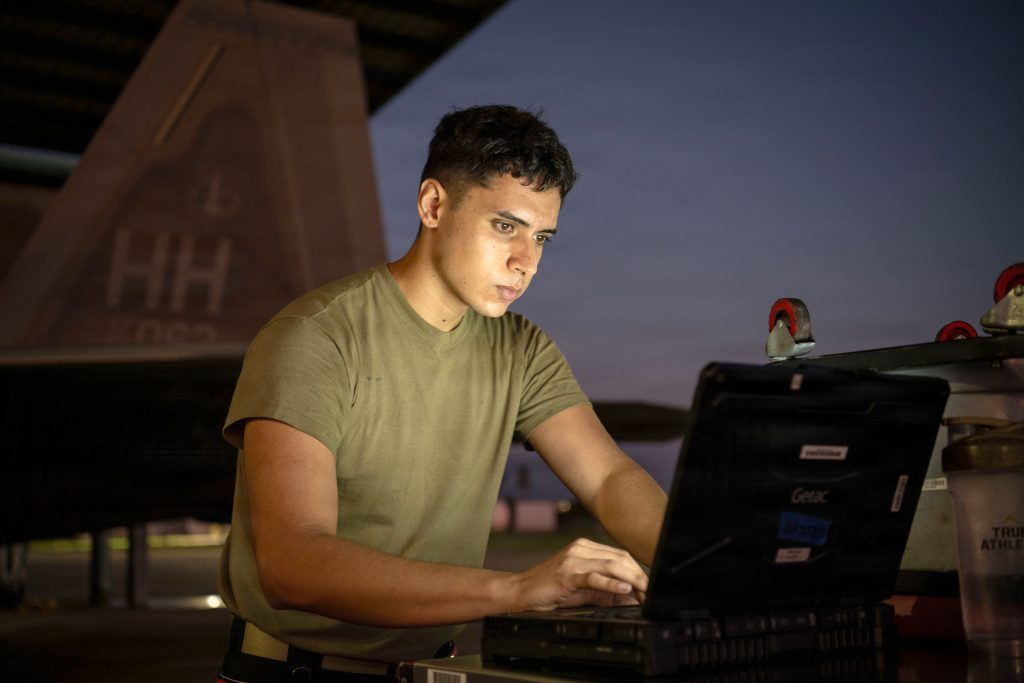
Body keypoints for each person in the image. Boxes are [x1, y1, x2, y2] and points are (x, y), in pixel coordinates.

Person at [216, 104, 668, 682]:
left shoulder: (521, 348)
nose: (526, 262)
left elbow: (610, 480)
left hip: (435, 671)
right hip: (294, 671)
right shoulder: (315, 336)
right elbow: (292, 564)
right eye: (505, 225)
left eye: (542, 237)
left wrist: (701, 567)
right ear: (434, 205)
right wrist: (519, 589)